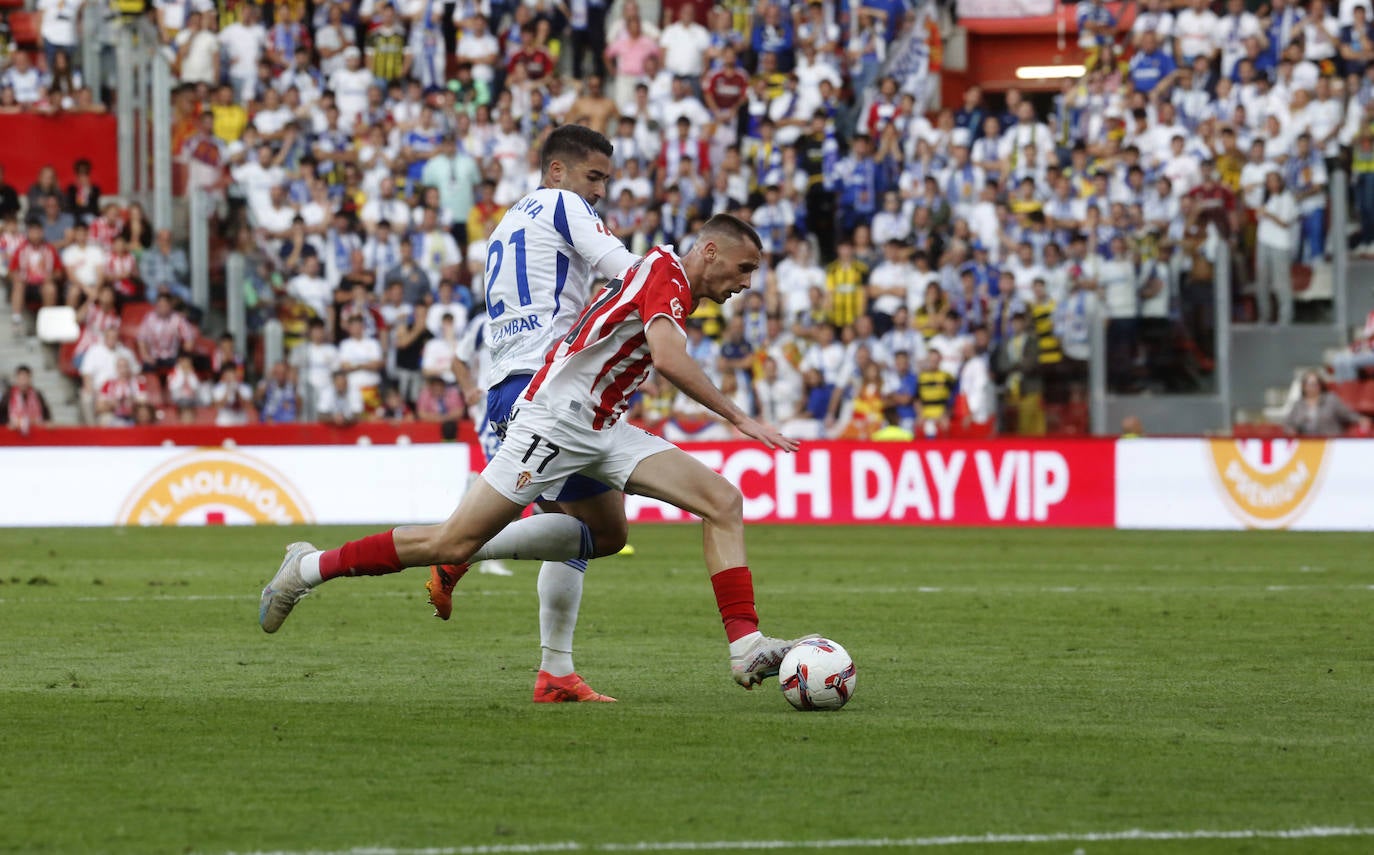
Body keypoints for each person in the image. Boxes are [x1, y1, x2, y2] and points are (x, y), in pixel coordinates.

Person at [259, 214, 812, 697]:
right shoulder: (664, 273)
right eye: (744, 268)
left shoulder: (670, 283)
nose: (746, 283)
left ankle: (747, 645)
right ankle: (306, 568)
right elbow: (667, 359)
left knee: (714, 503)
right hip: (555, 422)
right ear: (710, 251)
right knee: (450, 538)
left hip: (602, 427)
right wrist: (740, 418)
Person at [427, 125, 643, 702]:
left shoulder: (509, 221)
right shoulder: (565, 205)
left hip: (513, 385)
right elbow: (626, 269)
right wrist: (674, 285)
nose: (598, 191)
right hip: (546, 389)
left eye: (604, 180)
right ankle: (461, 551)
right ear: (556, 172)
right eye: (592, 176)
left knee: (583, 532)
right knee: (601, 531)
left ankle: (556, 673)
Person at [1284, 371, 1369, 435]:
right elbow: (1288, 423)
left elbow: (1347, 414)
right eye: (1309, 384)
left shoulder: (1331, 400)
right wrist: (1291, 430)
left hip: (1330, 442)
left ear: (1320, 385)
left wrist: (1360, 419)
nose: (1312, 388)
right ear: (1303, 387)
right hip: (1306, 444)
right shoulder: (1298, 404)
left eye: (1315, 384)